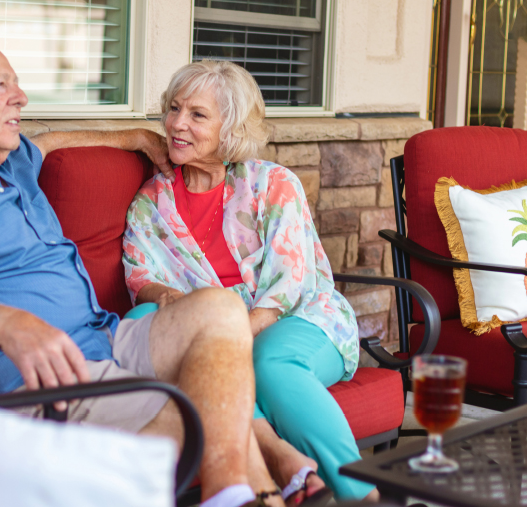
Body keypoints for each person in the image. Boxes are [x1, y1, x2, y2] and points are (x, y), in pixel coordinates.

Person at [0, 40, 282, 507]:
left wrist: (135, 138)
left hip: (102, 338)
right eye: (1, 84)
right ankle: (242, 494)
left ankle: (233, 492)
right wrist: (13, 325)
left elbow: (51, 142)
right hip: (41, 377)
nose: (20, 96)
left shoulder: (8, 161)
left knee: (221, 307)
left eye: (18, 83)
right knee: (203, 402)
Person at [122, 60, 378, 502]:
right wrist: (163, 295)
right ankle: (278, 462)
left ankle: (364, 498)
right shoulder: (152, 200)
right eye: (174, 109)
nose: (177, 124)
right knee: (149, 323)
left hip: (298, 319)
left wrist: (226, 340)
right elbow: (140, 274)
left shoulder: (272, 183)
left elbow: (289, 285)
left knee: (264, 364)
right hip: (210, 326)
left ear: (231, 128)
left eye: (197, 115)